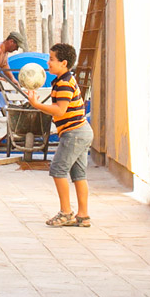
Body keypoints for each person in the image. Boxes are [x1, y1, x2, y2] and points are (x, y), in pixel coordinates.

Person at [33, 42, 91, 227]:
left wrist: (37, 105)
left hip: (74, 133)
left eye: (51, 59)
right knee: (78, 174)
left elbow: (60, 110)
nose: (48, 63)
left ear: (63, 63)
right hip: (81, 131)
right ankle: (83, 216)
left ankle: (66, 212)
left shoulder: (65, 83)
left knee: (58, 170)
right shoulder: (62, 80)